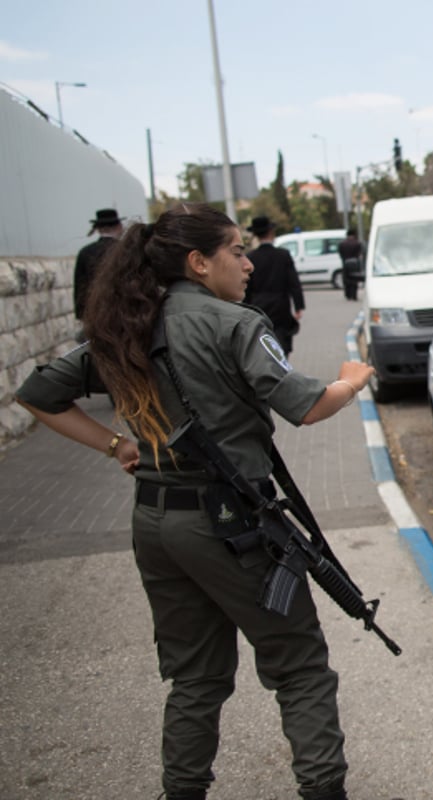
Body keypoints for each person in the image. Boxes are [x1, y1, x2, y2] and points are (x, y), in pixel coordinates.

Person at [16, 203, 374, 800]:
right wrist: (350, 380)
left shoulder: (128, 326)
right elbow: (307, 406)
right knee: (301, 666)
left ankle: (181, 792)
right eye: (236, 250)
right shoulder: (236, 323)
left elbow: (38, 394)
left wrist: (115, 446)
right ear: (199, 262)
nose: (249, 263)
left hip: (156, 523)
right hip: (229, 525)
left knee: (196, 677)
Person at [245, 216, 305, 355]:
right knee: (282, 339)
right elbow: (293, 282)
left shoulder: (251, 257)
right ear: (271, 232)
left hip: (258, 305)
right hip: (281, 305)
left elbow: (247, 286)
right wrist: (298, 306)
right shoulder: (283, 255)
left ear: (255, 235)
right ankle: (282, 367)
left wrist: (247, 306)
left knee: (262, 339)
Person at [74, 208, 125, 322]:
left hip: (95, 315)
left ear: (98, 229)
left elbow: (80, 288)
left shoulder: (85, 252)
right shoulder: (126, 249)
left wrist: (82, 316)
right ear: (119, 227)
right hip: (123, 314)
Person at [338, 228, 364, 300]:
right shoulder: (357, 243)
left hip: (346, 263)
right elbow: (359, 254)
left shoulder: (342, 244)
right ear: (354, 235)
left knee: (347, 279)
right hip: (355, 263)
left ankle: (348, 295)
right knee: (354, 280)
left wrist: (344, 259)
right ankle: (354, 295)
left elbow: (340, 254)